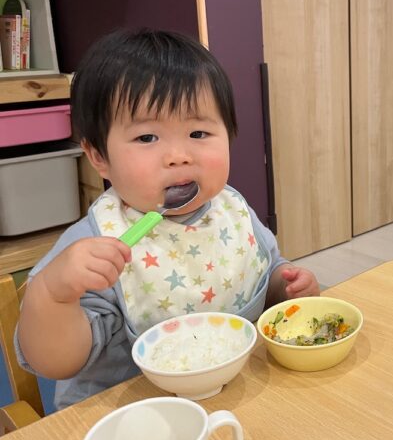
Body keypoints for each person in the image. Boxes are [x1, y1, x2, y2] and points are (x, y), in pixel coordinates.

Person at [15, 29, 320, 409]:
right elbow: (55, 362)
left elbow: (265, 268)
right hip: (131, 420)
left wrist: (285, 285)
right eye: (147, 138)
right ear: (99, 158)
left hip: (233, 396)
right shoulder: (98, 244)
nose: (178, 155)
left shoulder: (231, 209)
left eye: (198, 132)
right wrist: (53, 295)